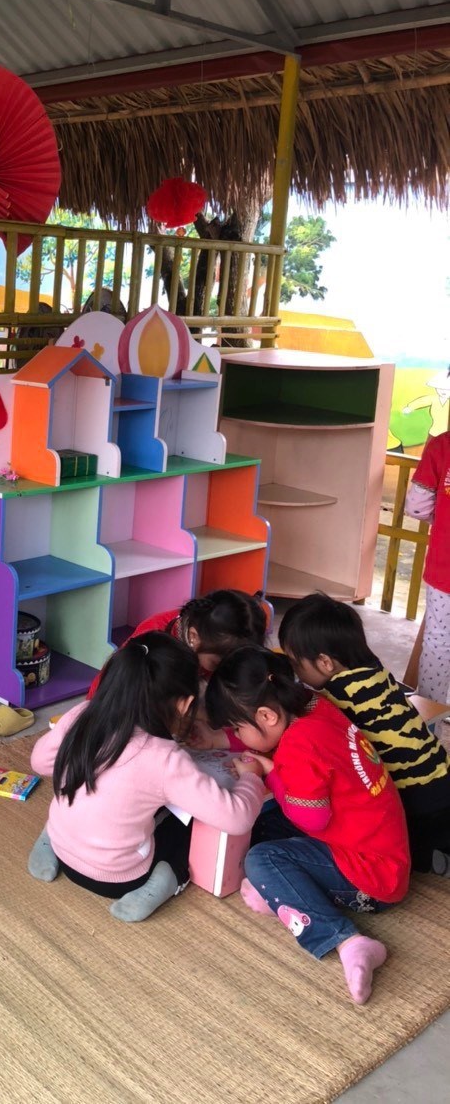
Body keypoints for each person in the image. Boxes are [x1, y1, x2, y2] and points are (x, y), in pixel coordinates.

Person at [205, 646, 411, 1005]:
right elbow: (281, 748)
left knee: (261, 859)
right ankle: (287, 893)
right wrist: (234, 747)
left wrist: (267, 773)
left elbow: (308, 817)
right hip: (381, 852)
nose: (237, 734)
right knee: (267, 825)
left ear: (267, 715)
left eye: (238, 727)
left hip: (372, 879)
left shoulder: (299, 747)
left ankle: (348, 941)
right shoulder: (314, 706)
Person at [27, 632, 266, 923]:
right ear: (184, 704)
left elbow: (40, 762)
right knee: (186, 826)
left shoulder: (84, 713)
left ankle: (49, 839)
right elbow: (237, 818)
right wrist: (251, 778)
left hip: (64, 848)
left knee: (78, 788)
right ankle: (166, 879)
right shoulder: (164, 758)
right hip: (120, 879)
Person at [278, 593, 450, 878]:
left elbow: (307, 720)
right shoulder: (377, 671)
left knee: (394, 842)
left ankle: (427, 858)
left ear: (325, 663)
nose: (296, 674)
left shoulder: (339, 697)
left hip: (413, 798)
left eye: (296, 665)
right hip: (442, 777)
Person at [85, 587, 269, 702]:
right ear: (194, 637)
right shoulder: (153, 642)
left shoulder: (209, 634)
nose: (224, 669)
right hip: (118, 705)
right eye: (217, 663)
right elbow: (120, 696)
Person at [404, 425, 450, 703]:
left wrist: (442, 518)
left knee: (438, 643)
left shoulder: (442, 445)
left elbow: (417, 507)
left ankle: (432, 714)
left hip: (445, 568)